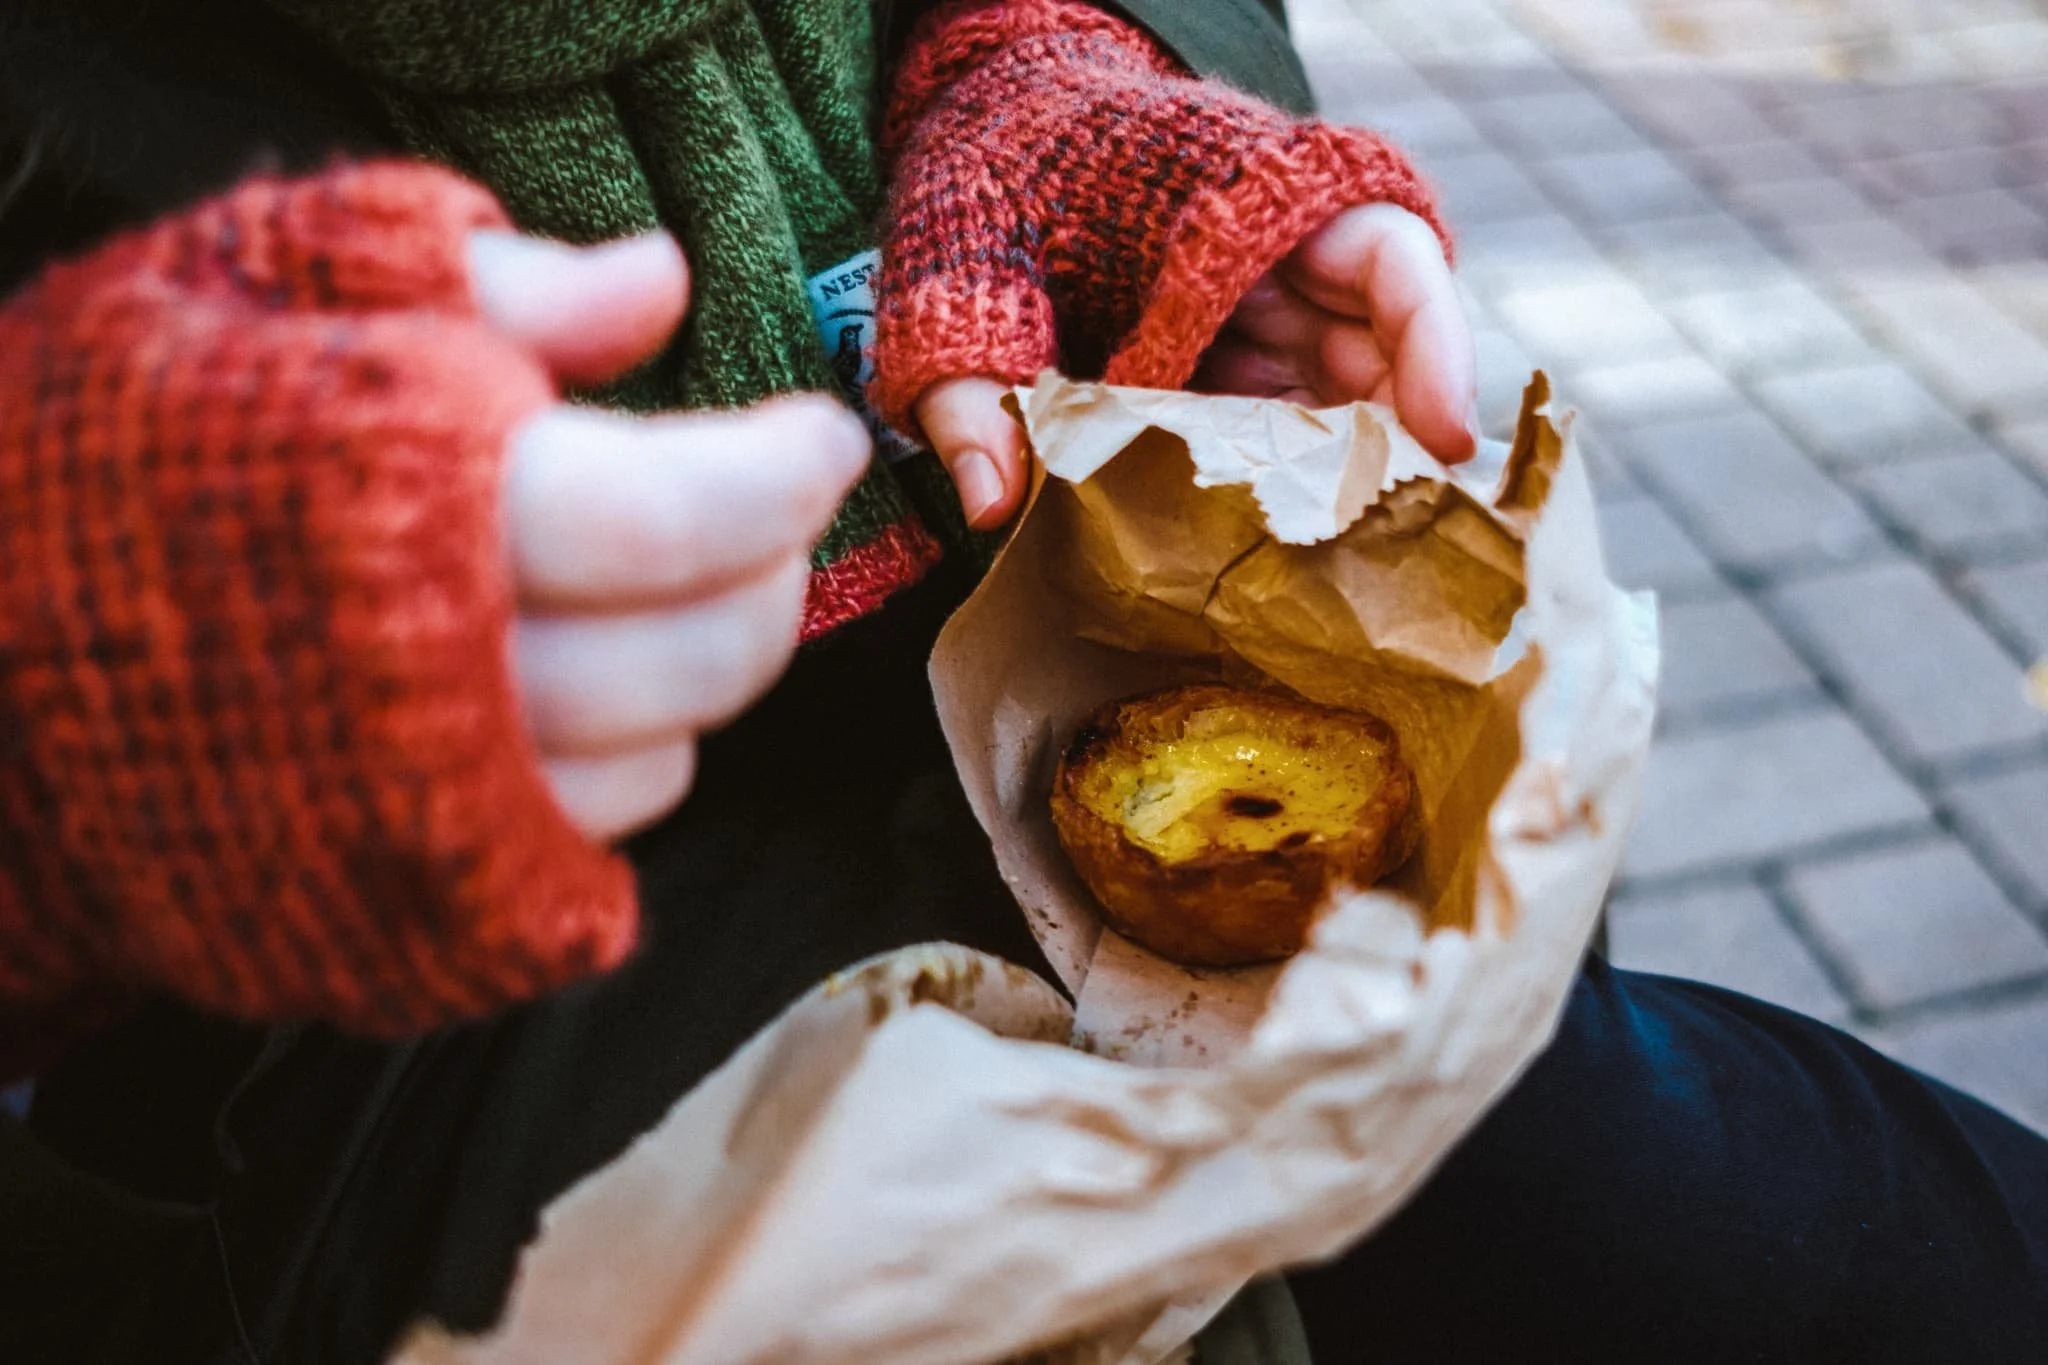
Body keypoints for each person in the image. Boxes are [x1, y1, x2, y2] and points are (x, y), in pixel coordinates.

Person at [0, 2, 2042, 1363]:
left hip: (1086, 642)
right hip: (438, 1091)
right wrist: (72, 696)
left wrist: (1059, 53)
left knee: (1804, 1244)